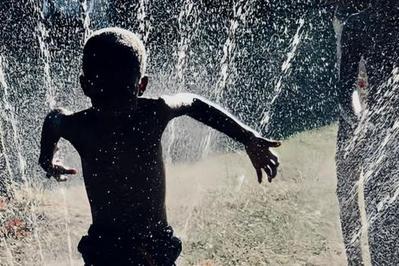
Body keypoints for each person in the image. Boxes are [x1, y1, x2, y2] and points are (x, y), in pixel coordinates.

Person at [38, 27, 280, 265]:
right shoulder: (105, 122)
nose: (115, 107)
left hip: (151, 246)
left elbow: (193, 102)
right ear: (85, 85)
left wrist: (247, 137)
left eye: (121, 93)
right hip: (107, 248)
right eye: (105, 92)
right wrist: (46, 159)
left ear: (141, 86)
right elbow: (53, 119)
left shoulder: (139, 117)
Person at [334, 0, 399, 264]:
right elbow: (345, 89)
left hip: (384, 131)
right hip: (368, 128)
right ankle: (356, 261)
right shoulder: (359, 24)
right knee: (351, 197)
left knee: (383, 213)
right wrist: (360, 118)